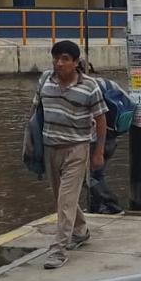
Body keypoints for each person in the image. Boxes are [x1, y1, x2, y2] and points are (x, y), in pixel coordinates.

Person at [35, 40, 107, 269]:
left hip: (77, 147)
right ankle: (80, 230)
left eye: (65, 59)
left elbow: (101, 119)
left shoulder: (89, 86)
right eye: (56, 58)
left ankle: (58, 249)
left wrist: (98, 152)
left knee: (66, 199)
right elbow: (36, 113)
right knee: (62, 198)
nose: (59, 63)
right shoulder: (45, 80)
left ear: (76, 63)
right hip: (50, 146)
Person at [79, 59, 124, 215]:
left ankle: (111, 204)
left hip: (94, 141)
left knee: (85, 177)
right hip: (111, 138)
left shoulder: (84, 89)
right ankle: (96, 209)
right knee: (97, 175)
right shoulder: (108, 83)